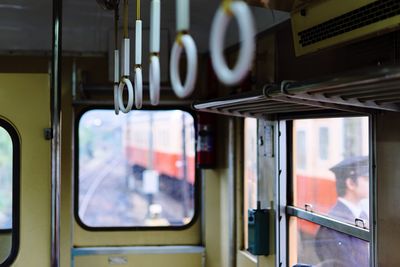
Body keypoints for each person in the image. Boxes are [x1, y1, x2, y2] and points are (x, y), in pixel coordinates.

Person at [315, 156, 369, 267]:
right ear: (351, 184)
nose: (371, 183)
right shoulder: (333, 224)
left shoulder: (361, 215)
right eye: (366, 179)